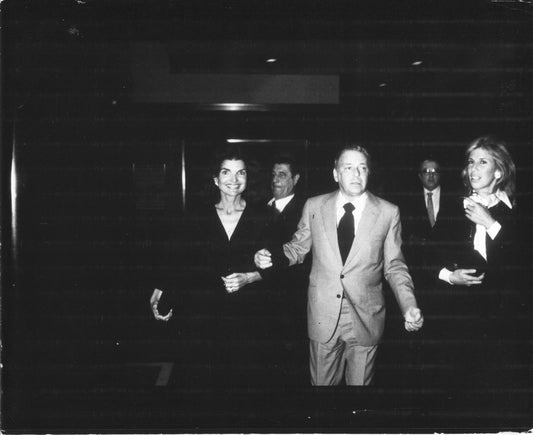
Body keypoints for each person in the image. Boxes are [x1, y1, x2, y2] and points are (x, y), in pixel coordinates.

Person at [254, 144, 424, 386]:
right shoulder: (314, 206)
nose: (356, 174)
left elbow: (395, 266)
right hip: (323, 315)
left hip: (366, 317)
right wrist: (270, 257)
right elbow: (297, 248)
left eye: (362, 168)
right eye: (348, 168)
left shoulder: (388, 212)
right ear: (336, 174)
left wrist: (409, 305)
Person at [149, 145, 267, 386]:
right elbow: (175, 258)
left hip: (249, 318)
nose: (234, 180)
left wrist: (250, 277)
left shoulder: (265, 216)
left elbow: (281, 268)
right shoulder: (195, 215)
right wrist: (159, 290)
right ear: (215, 178)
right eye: (226, 172)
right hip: (203, 316)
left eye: (241, 173)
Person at [437, 136, 518, 388]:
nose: (473, 168)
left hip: (504, 320)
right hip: (458, 316)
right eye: (471, 162)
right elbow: (427, 254)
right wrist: (450, 276)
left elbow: (521, 261)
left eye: (483, 162)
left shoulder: (518, 210)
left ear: (499, 171)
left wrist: (490, 223)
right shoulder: (454, 206)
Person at [261, 153, 309, 383]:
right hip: (263, 296)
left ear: (295, 179)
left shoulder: (305, 210)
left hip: (292, 297)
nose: (275, 179)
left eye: (282, 174)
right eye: (273, 174)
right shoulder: (260, 206)